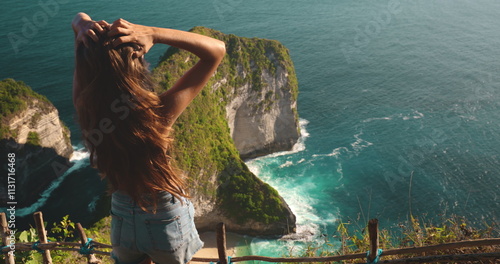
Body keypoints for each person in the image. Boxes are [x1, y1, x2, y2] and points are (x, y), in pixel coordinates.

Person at [71, 12, 226, 264]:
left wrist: (81, 28)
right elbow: (216, 50)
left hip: (122, 212)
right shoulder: (155, 116)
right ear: (138, 64)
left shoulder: (86, 110)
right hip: (163, 214)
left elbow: (79, 27)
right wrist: (153, 33)